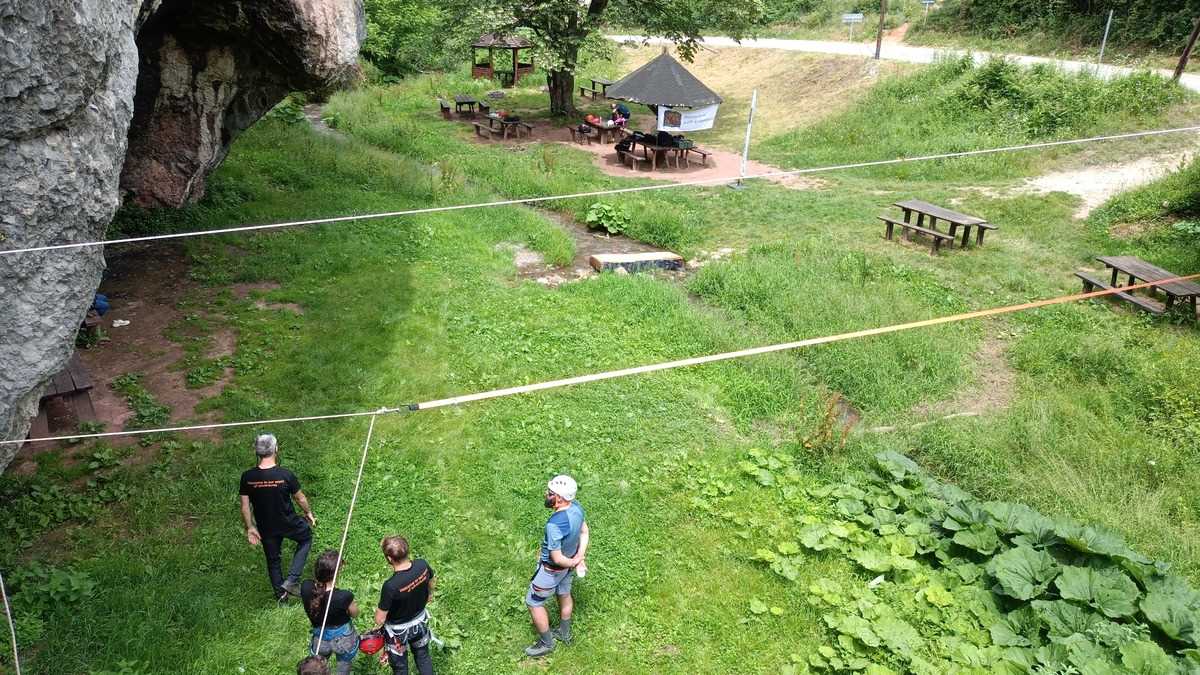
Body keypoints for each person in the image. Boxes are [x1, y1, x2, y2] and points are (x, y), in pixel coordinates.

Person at [239, 433, 317, 601]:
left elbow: (245, 506)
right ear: (276, 449)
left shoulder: (247, 477)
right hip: (288, 522)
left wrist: (250, 527)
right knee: (306, 538)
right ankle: (291, 580)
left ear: (256, 451)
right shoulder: (285, 475)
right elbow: (300, 498)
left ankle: (281, 597)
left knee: (273, 561)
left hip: (266, 526)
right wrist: (308, 512)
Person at [524, 474, 589, 658]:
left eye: (550, 492)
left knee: (533, 602)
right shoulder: (576, 508)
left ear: (559, 498)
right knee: (564, 594)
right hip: (568, 568)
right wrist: (579, 556)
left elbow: (557, 558)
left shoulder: (554, 525)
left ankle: (546, 643)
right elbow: (585, 532)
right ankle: (564, 632)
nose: (546, 494)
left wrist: (574, 561)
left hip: (552, 570)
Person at [375, 536, 436, 675]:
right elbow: (431, 581)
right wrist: (429, 594)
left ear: (390, 559)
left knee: (401, 668)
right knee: (423, 657)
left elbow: (380, 619)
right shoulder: (422, 565)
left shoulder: (391, 586)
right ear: (407, 550)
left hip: (398, 633)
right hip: (420, 623)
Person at [300, 550, 359, 675]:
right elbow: (355, 613)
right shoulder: (343, 596)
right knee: (343, 665)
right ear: (336, 573)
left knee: (316, 668)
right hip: (343, 639)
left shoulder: (305, 587)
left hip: (319, 638)